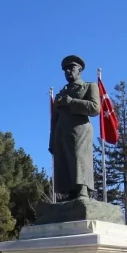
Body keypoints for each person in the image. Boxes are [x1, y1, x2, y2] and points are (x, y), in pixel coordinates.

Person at [49, 54, 100, 200]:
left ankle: (83, 189)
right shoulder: (60, 94)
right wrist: (52, 140)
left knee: (79, 158)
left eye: (71, 68)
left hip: (80, 129)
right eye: (65, 70)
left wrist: (71, 102)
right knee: (64, 161)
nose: (68, 72)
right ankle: (71, 191)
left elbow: (95, 108)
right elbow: (54, 120)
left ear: (79, 70)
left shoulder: (89, 87)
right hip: (61, 131)